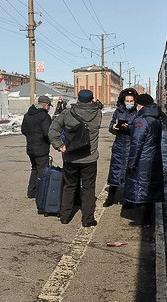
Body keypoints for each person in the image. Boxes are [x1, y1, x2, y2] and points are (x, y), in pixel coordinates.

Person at [49, 89, 102, 227]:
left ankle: (65, 216)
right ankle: (87, 219)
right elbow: (97, 106)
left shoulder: (67, 113)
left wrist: (59, 146)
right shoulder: (98, 114)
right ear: (92, 100)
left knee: (69, 186)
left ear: (77, 99)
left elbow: (53, 129)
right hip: (89, 158)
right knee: (88, 188)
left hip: (70, 158)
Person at [122, 93, 165, 227]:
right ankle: (147, 219)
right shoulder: (156, 118)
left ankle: (144, 220)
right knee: (150, 189)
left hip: (142, 161)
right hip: (154, 158)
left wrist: (131, 163)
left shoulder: (142, 120)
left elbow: (136, 144)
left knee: (142, 189)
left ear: (140, 105)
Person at [103, 88, 138, 207]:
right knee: (115, 171)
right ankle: (110, 197)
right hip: (119, 146)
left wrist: (129, 128)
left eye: (131, 101)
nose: (129, 103)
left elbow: (139, 130)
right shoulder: (117, 112)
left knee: (129, 173)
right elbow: (110, 126)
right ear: (123, 101)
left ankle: (128, 200)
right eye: (127, 100)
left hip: (130, 146)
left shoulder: (137, 113)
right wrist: (114, 127)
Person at [21, 95, 53, 198]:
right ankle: (42, 193)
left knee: (34, 169)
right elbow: (47, 133)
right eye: (49, 106)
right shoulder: (44, 116)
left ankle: (31, 192)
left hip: (30, 147)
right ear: (46, 105)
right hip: (41, 148)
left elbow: (23, 130)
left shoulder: (27, 115)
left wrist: (31, 137)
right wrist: (50, 141)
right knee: (43, 171)